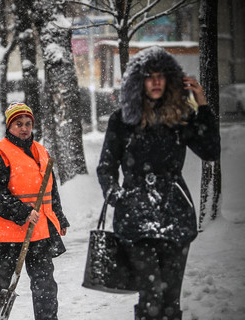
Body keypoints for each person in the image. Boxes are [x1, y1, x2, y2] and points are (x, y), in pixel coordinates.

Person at [96, 46, 220, 320]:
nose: (155, 81)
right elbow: (106, 166)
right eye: (148, 76)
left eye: (160, 76)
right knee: (150, 295)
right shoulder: (122, 121)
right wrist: (117, 195)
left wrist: (202, 104)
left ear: (170, 80)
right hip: (135, 220)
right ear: (138, 82)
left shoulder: (180, 119)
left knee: (170, 300)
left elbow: (210, 151)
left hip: (175, 216)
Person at [0, 103, 69, 320]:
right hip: (11, 234)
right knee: (2, 284)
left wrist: (59, 217)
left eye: (28, 124)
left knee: (45, 285)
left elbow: (51, 189)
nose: (24, 128)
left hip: (39, 233)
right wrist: (22, 212)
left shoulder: (41, 151)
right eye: (18, 124)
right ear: (9, 126)